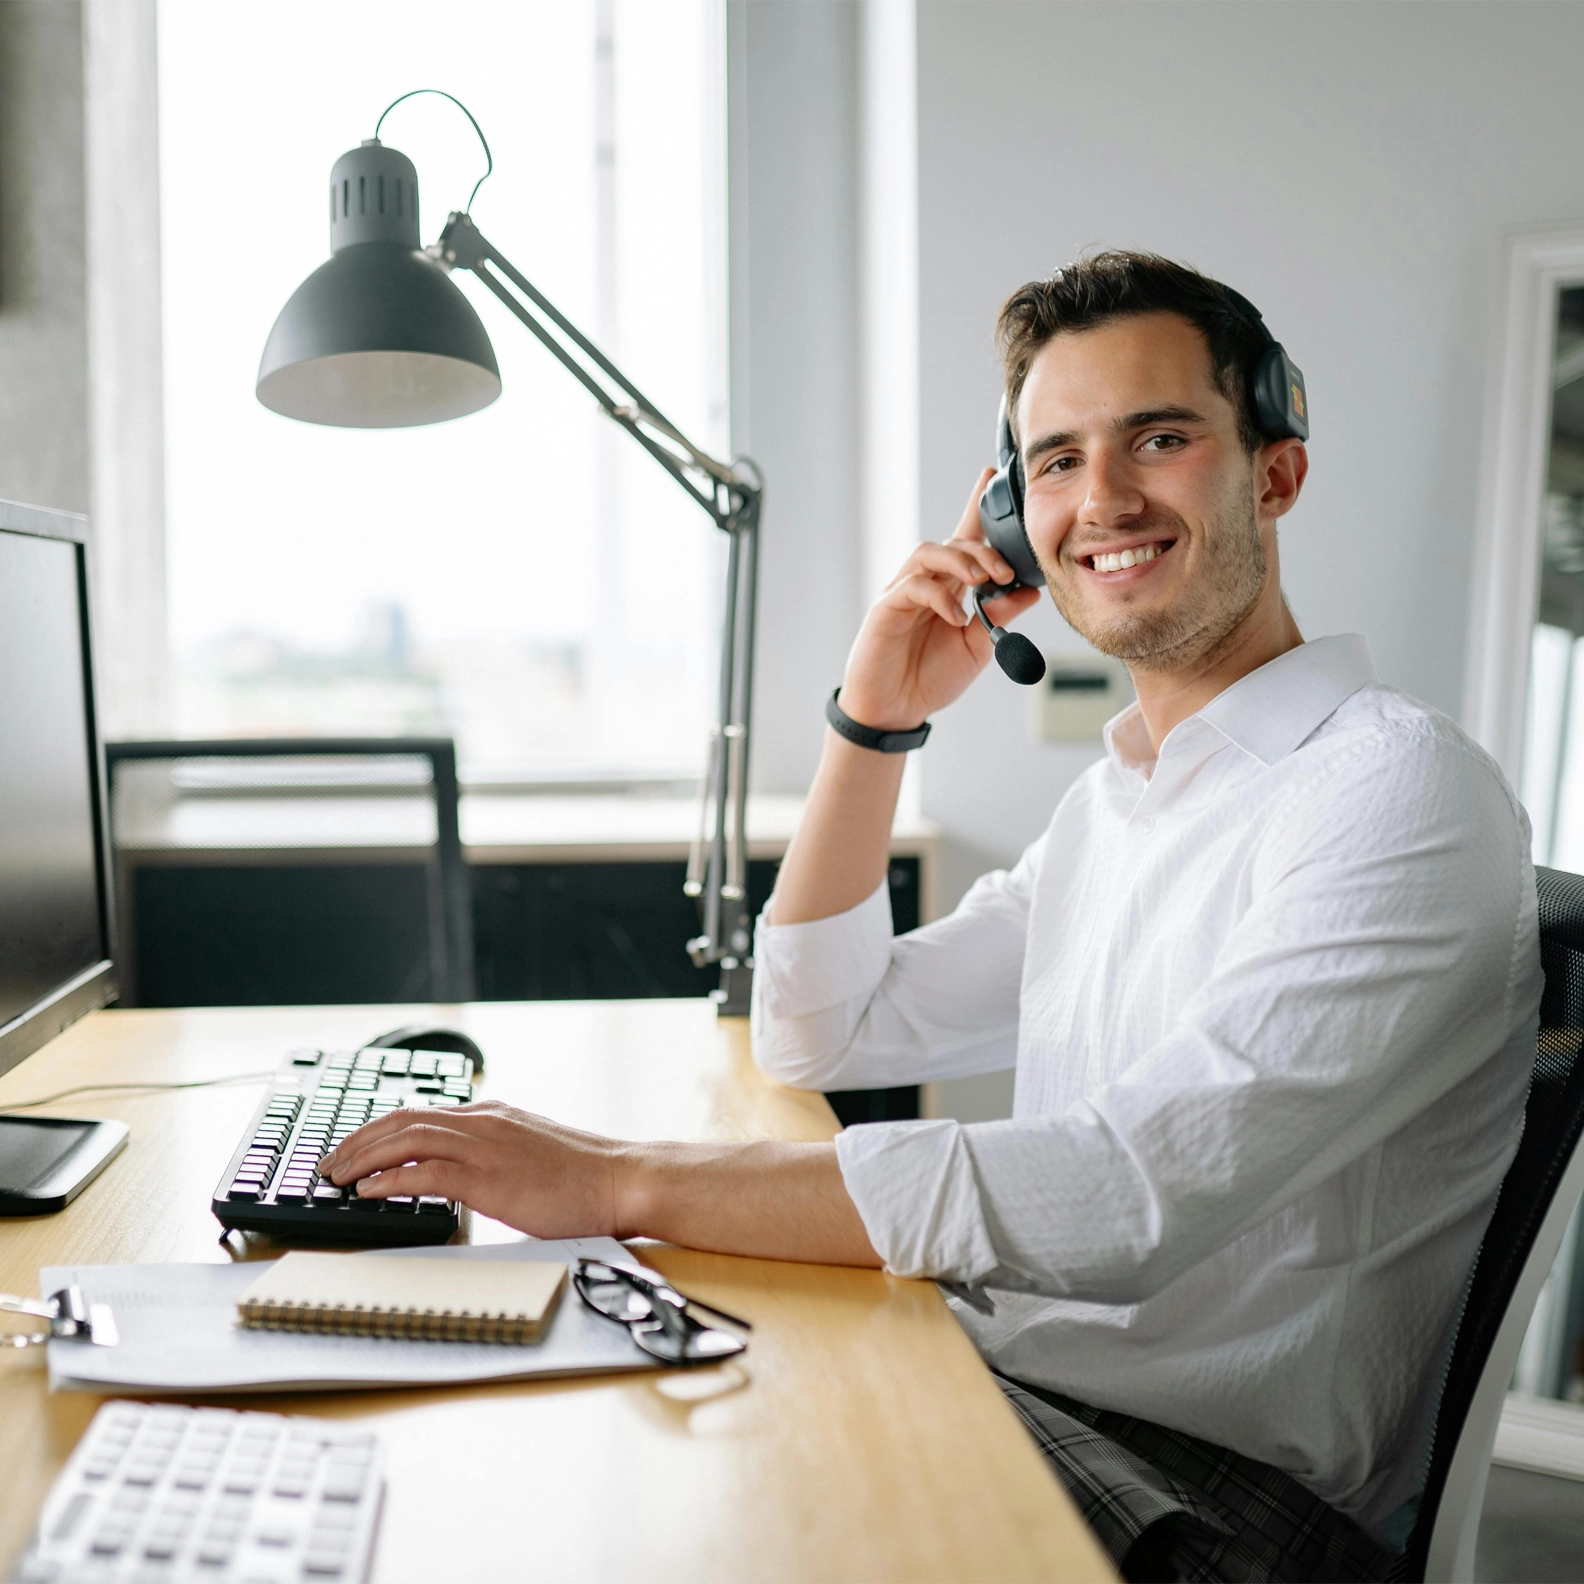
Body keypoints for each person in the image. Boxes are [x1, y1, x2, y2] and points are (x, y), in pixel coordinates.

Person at [318, 252, 1541, 1584]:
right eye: (1055, 462)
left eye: (1162, 438)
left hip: (1217, 1502)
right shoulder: (1122, 804)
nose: (1105, 499)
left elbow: (1126, 1193)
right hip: (1029, 1381)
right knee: (588, 1444)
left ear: (1274, 472)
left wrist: (615, 1179)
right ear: (1012, 516)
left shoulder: (1394, 790)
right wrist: (874, 717)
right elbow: (819, 1029)